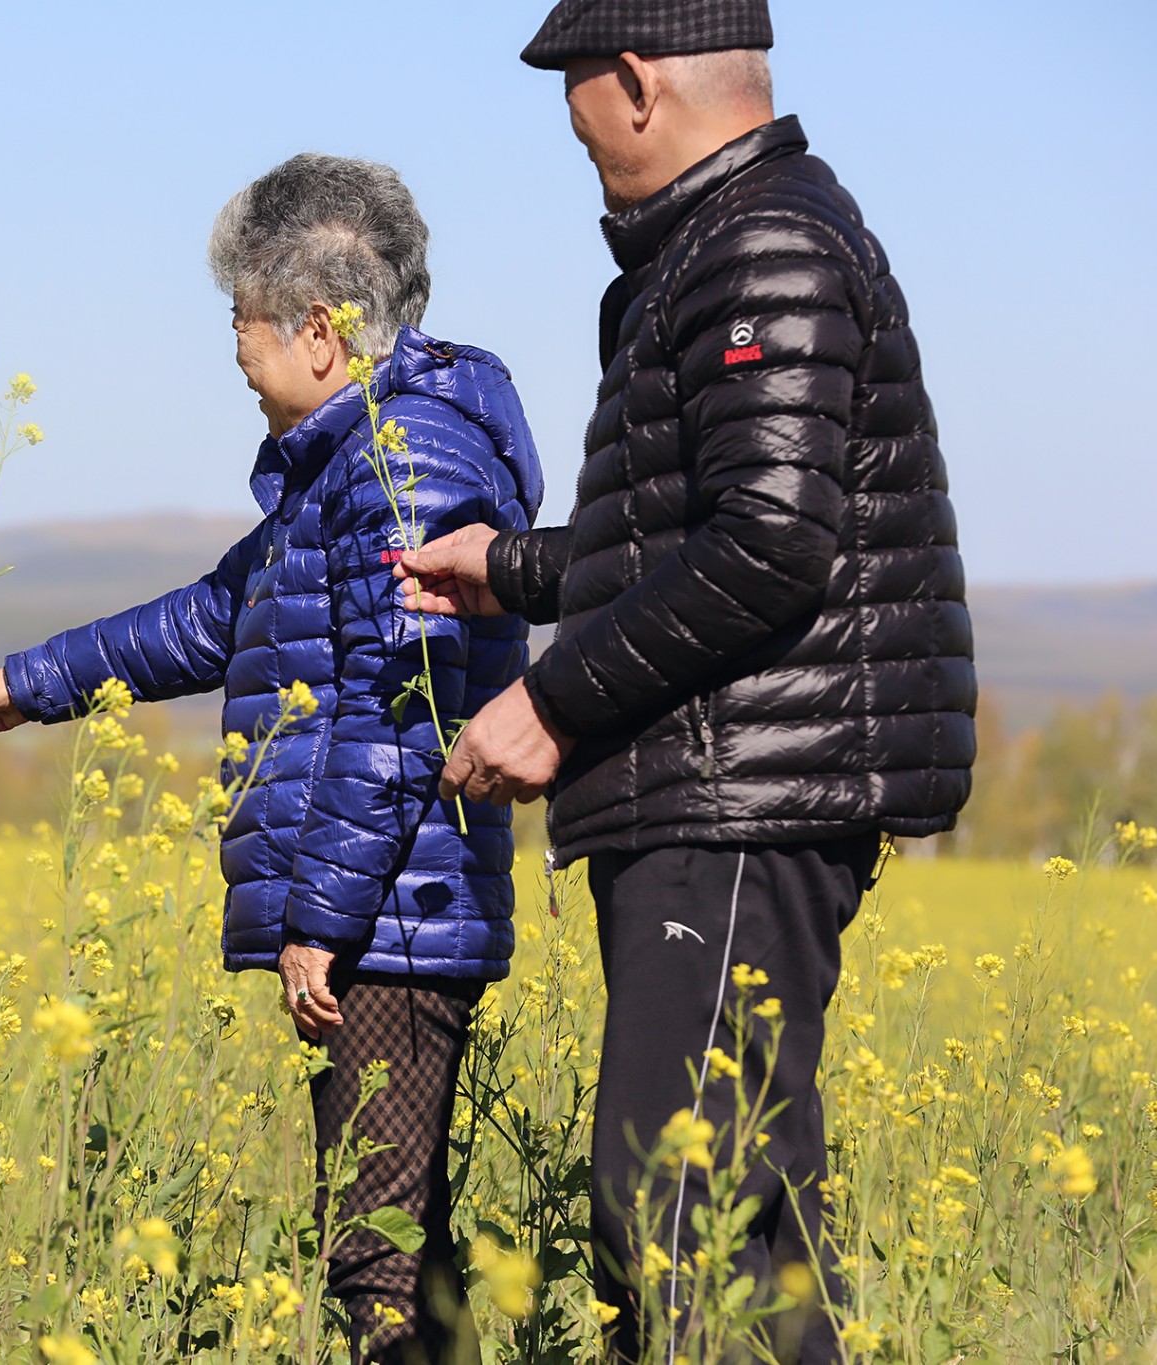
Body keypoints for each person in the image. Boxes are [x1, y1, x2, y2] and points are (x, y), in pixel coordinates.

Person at [394, 3, 975, 1359]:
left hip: (740, 801)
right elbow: (700, 524)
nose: (578, 137)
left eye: (577, 99)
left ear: (638, 81)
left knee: (670, 1201)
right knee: (748, 1230)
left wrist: (550, 699)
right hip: (728, 782)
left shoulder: (760, 241)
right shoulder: (728, 242)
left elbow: (771, 545)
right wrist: (523, 570)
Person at [0, 154, 544, 1363]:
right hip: (384, 907)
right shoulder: (352, 460)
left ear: (317, 330)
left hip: (392, 917)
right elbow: (218, 618)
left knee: (377, 1251)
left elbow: (401, 711)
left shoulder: (401, 463)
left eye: (243, 318)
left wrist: (320, 915)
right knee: (388, 1245)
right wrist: (25, 686)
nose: (232, 344)